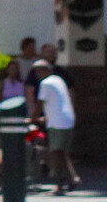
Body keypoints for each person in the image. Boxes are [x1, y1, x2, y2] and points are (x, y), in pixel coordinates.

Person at [33, 61, 76, 195]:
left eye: (37, 72)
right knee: (61, 152)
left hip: (57, 122)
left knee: (55, 152)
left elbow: (40, 103)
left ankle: (59, 184)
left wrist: (33, 118)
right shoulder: (58, 80)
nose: (36, 75)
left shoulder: (45, 83)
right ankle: (74, 178)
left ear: (44, 71)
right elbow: (57, 102)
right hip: (67, 119)